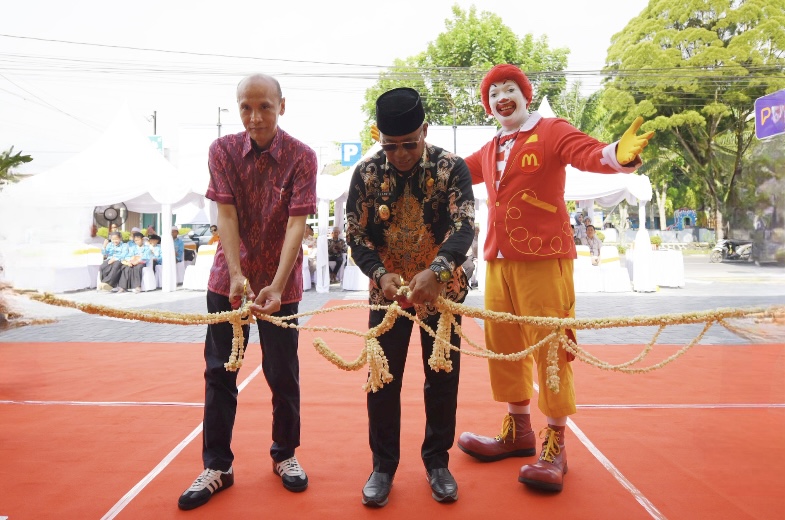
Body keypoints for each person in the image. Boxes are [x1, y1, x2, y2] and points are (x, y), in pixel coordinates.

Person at [457, 64, 653, 492]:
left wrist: (619, 153)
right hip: (498, 258)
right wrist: (410, 153)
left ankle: (556, 443)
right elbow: (452, 171)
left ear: (526, 95)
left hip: (544, 258)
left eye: (509, 89)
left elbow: (588, 153)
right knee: (503, 346)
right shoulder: (491, 147)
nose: (501, 97)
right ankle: (519, 431)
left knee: (550, 347)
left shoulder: (550, 130)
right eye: (493, 93)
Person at [177, 73, 317, 511]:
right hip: (228, 283)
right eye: (245, 107)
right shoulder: (221, 151)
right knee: (220, 373)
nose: (255, 117)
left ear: (282, 106)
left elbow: (297, 223)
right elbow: (227, 215)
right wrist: (237, 275)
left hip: (282, 285)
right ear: (237, 108)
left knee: (282, 372)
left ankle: (285, 454)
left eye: (265, 107)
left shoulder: (302, 157)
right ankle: (217, 464)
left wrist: (276, 285)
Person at [345, 87, 475, 507]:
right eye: (390, 146)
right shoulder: (366, 174)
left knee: (442, 379)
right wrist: (379, 274)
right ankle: (383, 466)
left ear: (425, 130)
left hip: (443, 294)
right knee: (382, 381)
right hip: (388, 295)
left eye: (410, 144)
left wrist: (438, 271)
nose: (400, 154)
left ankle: (438, 462)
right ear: (378, 137)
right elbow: (356, 235)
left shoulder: (451, 168)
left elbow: (464, 227)